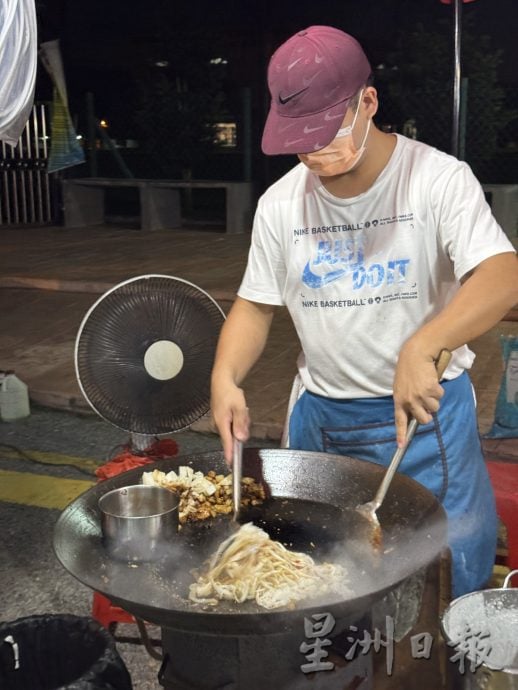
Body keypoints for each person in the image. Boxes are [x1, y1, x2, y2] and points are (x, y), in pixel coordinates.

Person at [210, 25, 518, 597]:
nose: (314, 154)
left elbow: (503, 275)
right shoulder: (281, 203)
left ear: (367, 102)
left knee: (439, 581)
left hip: (423, 423)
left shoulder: (438, 180)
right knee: (315, 584)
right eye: (300, 141)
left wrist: (423, 344)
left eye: (325, 133)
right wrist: (225, 378)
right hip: (322, 421)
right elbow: (254, 306)